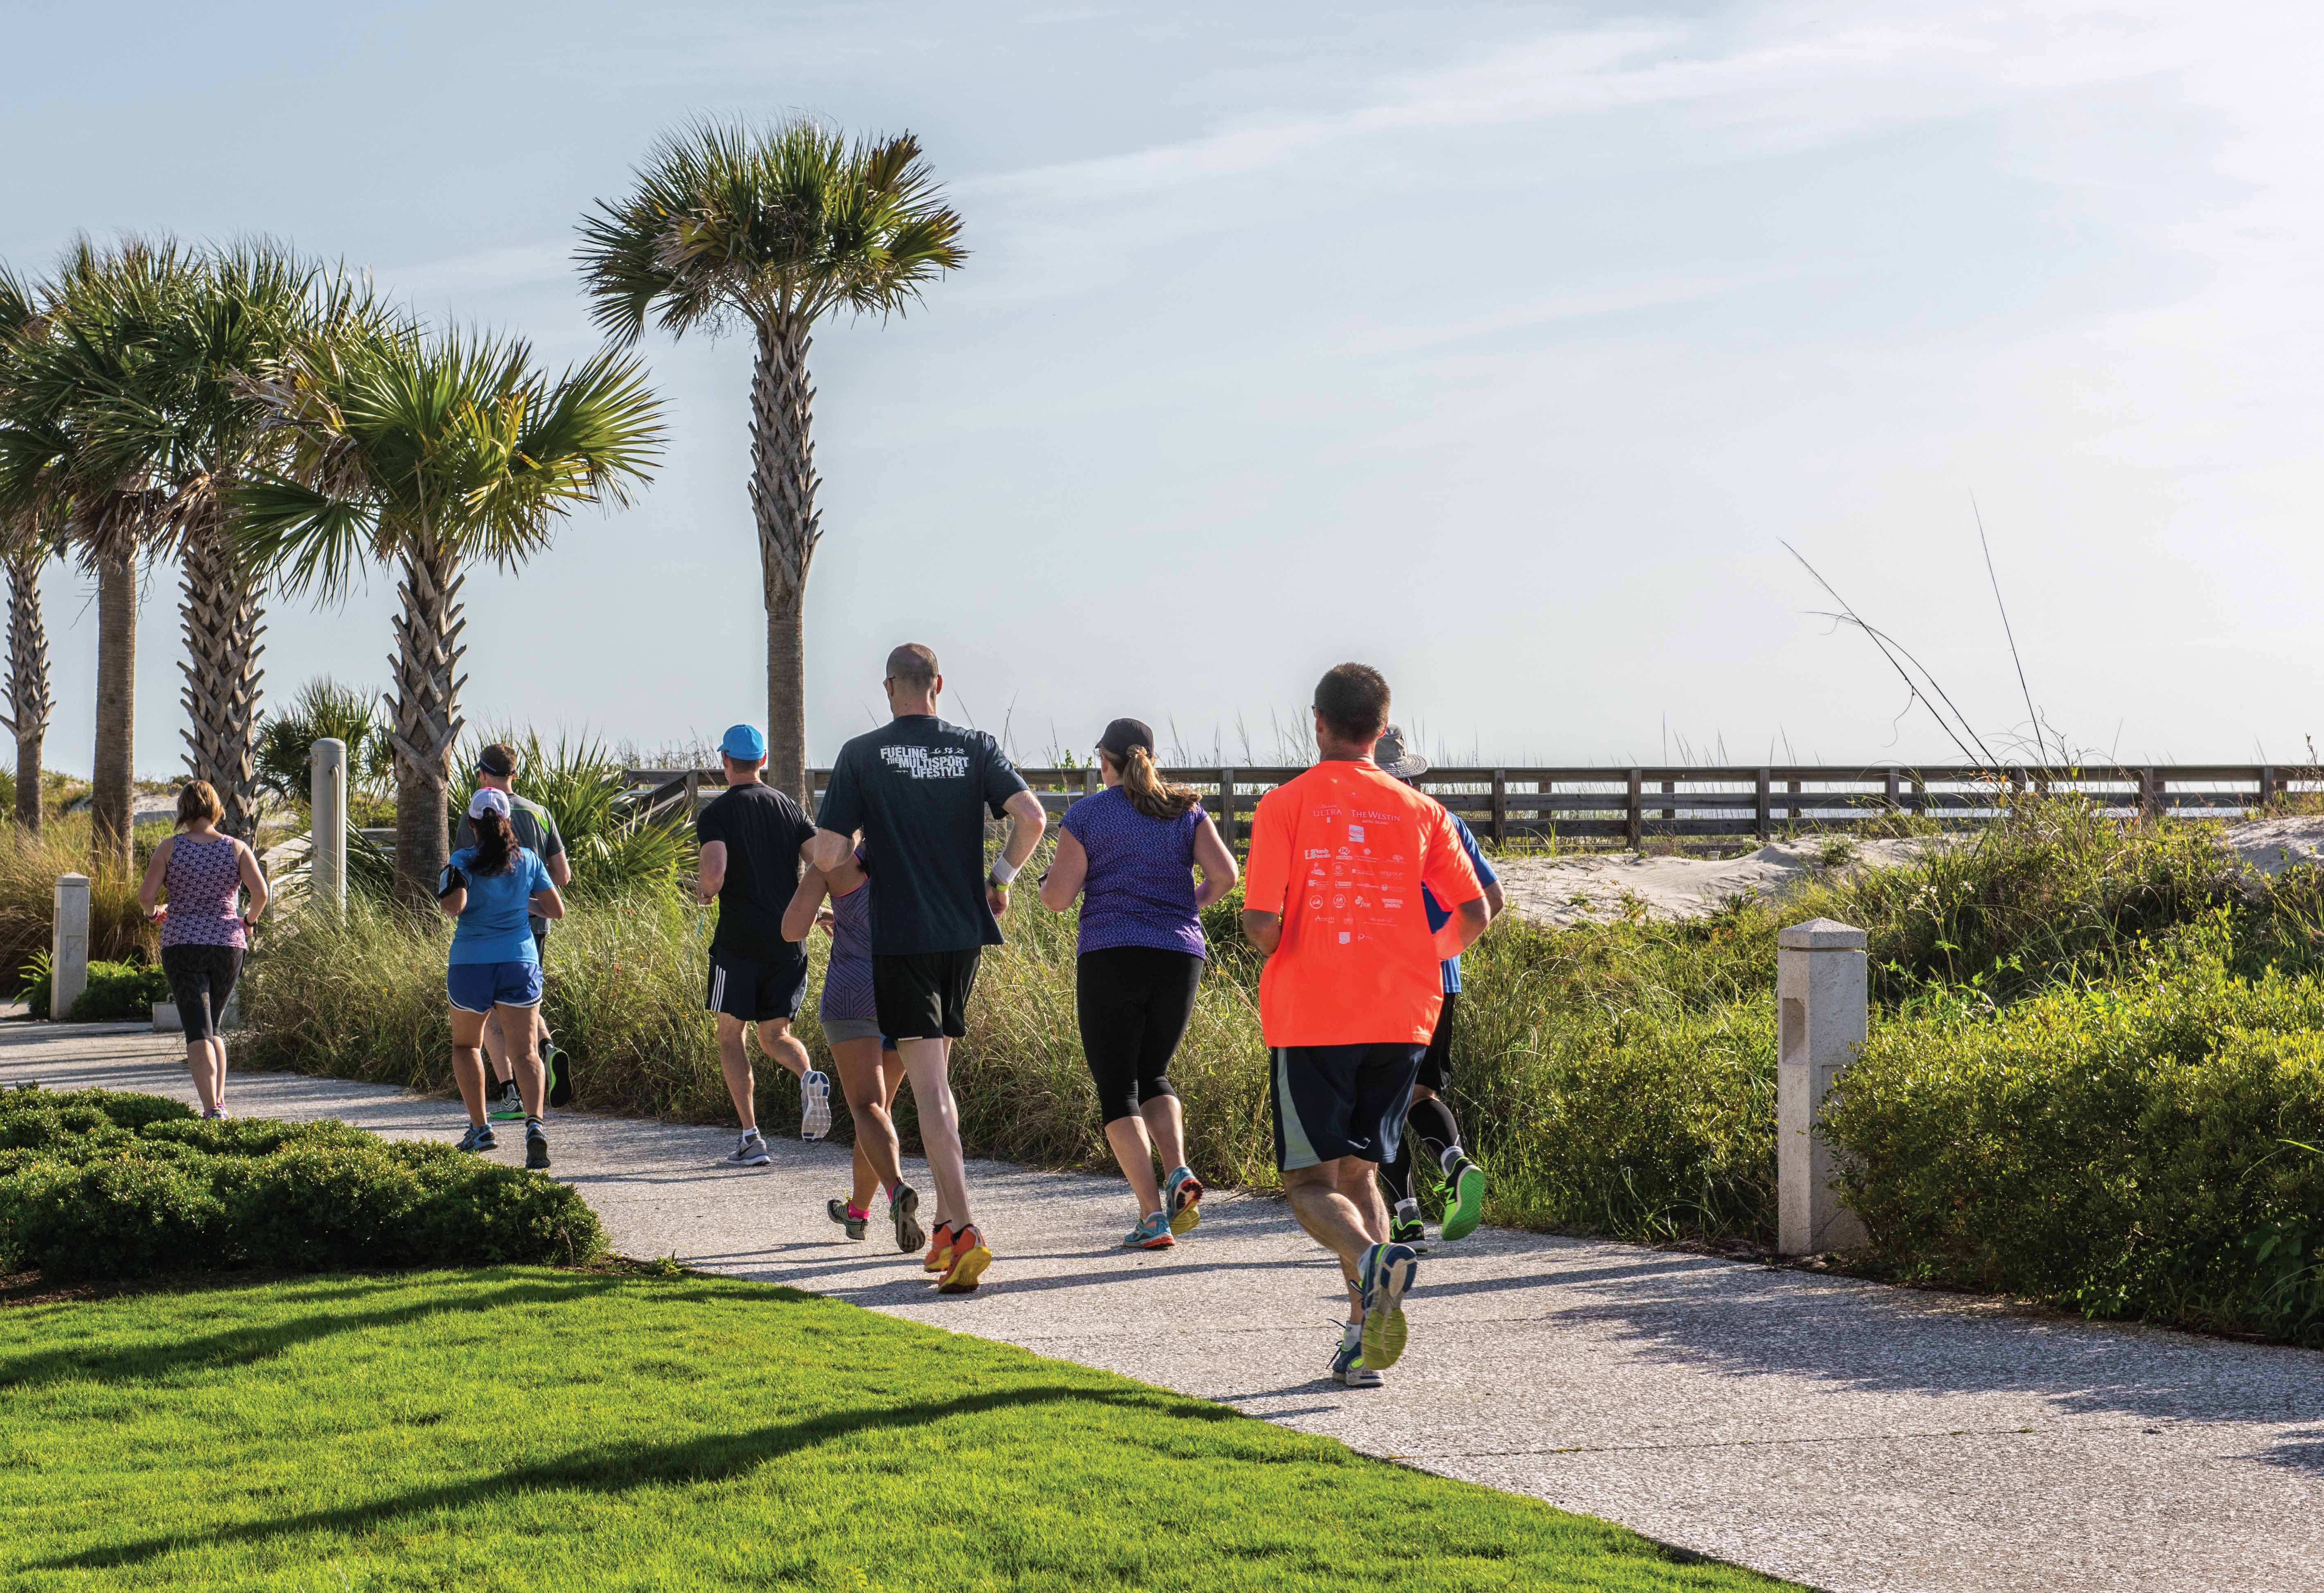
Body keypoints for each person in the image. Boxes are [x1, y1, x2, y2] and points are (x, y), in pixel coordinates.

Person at [1241, 665, 1487, 1388]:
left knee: (1308, 1183)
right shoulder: (1422, 810)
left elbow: (1260, 921)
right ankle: (1360, 1340)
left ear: (1316, 721)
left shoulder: (1284, 804)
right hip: (1402, 1015)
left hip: (1313, 1013)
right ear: (1381, 729)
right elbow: (1474, 913)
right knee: (1362, 1171)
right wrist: (1417, 955)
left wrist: (1287, 941)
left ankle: (1372, 1258)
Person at [808, 643, 1048, 1294]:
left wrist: (832, 854)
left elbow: (831, 850)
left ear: (889, 687)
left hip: (902, 938)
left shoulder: (861, 754)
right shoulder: (974, 746)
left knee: (930, 1092)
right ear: (938, 684)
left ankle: (966, 1228)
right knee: (935, 1079)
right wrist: (1000, 877)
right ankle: (944, 1227)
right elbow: (1032, 817)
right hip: (962, 935)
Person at [1038, 718, 1238, 1248]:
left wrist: (1046, 884)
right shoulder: (1184, 810)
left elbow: (1057, 899)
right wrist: (1182, 910)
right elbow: (1225, 876)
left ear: (1104, 759)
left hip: (1111, 954)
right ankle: (1177, 1169)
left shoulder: (1086, 816)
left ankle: (1152, 1216)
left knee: (1117, 1087)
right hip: (1179, 955)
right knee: (1154, 1074)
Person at [1371, 725, 1505, 1249]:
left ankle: (1404, 1215)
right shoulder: (1445, 821)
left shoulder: (1370, 822)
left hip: (1379, 978)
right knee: (1421, 1093)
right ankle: (1454, 1161)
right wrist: (1444, 950)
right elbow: (1491, 899)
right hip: (1440, 978)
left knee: (1378, 1103)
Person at [697, 723, 831, 1167]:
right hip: (788, 941)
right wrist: (819, 910)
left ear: (725, 762)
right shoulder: (788, 806)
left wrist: (705, 890)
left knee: (730, 1035)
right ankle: (808, 1075)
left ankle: (751, 1137)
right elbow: (823, 862)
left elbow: (714, 874)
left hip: (738, 945)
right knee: (776, 1035)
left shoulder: (716, 813)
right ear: (763, 762)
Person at [783, 843, 924, 1254]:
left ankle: (896, 1188)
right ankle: (858, 1214)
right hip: (907, 992)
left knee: (866, 1108)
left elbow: (791, 929)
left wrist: (822, 908)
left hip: (853, 995)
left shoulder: (834, 861)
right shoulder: (913, 851)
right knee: (877, 1110)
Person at [438, 788, 564, 1169]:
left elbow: (452, 908)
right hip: (519, 961)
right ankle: (535, 1126)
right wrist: (520, 899)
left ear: (472, 823)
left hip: (472, 964)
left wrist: (455, 879)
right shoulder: (527, 860)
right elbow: (555, 910)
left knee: (467, 1047)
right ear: (507, 820)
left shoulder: (462, 860)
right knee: (526, 1051)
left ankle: (481, 1129)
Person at [451, 744, 571, 1123]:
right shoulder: (540, 812)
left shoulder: (471, 818)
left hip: (480, 939)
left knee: (488, 1020)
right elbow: (563, 877)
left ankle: (508, 1094)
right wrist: (528, 900)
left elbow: (459, 889)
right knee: (522, 1008)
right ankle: (546, 1048)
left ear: (483, 775)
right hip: (530, 930)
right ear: (514, 775)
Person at [137, 781, 267, 1119]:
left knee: (197, 1029)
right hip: (227, 944)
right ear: (215, 809)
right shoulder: (236, 848)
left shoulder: (170, 848)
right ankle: (220, 1103)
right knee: (215, 1027)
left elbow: (146, 896)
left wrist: (154, 914)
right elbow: (261, 893)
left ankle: (211, 1109)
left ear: (184, 810)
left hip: (183, 943)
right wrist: (248, 922)